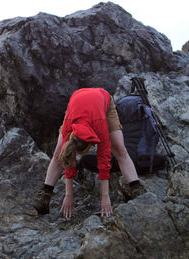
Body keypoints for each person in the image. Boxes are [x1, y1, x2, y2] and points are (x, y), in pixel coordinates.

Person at [34, 88, 145, 218]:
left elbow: (104, 160)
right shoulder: (69, 126)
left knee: (119, 148)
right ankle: (45, 194)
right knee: (59, 151)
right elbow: (67, 158)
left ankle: (136, 188)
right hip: (76, 105)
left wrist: (105, 197)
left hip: (103, 102)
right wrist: (69, 195)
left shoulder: (100, 125)